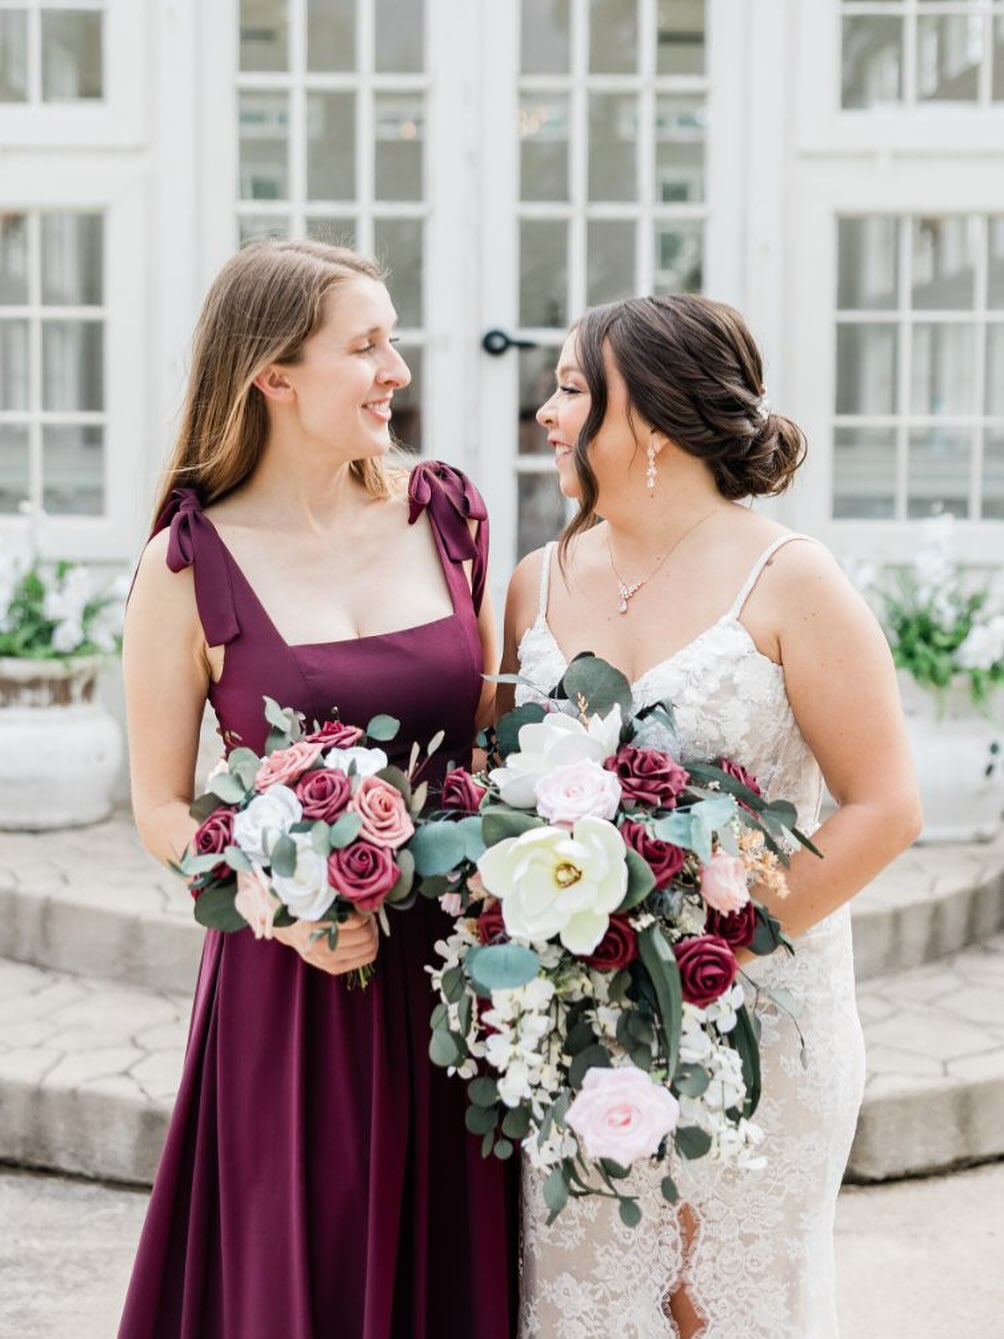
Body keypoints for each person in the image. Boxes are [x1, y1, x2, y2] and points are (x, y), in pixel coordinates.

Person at [498, 293, 921, 1339]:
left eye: (570, 390)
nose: (545, 413)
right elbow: (492, 790)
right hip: (579, 1020)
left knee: (725, 1306)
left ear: (646, 420)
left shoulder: (790, 579)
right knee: (587, 1292)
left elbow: (884, 804)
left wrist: (714, 950)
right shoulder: (531, 584)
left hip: (760, 1017)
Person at [119, 240, 516, 1339]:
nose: (396, 369)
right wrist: (275, 902)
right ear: (274, 376)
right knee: (311, 1277)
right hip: (298, 985)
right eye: (366, 345)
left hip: (457, 972)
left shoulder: (447, 517)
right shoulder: (186, 567)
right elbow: (161, 807)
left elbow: (488, 746)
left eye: (393, 339)